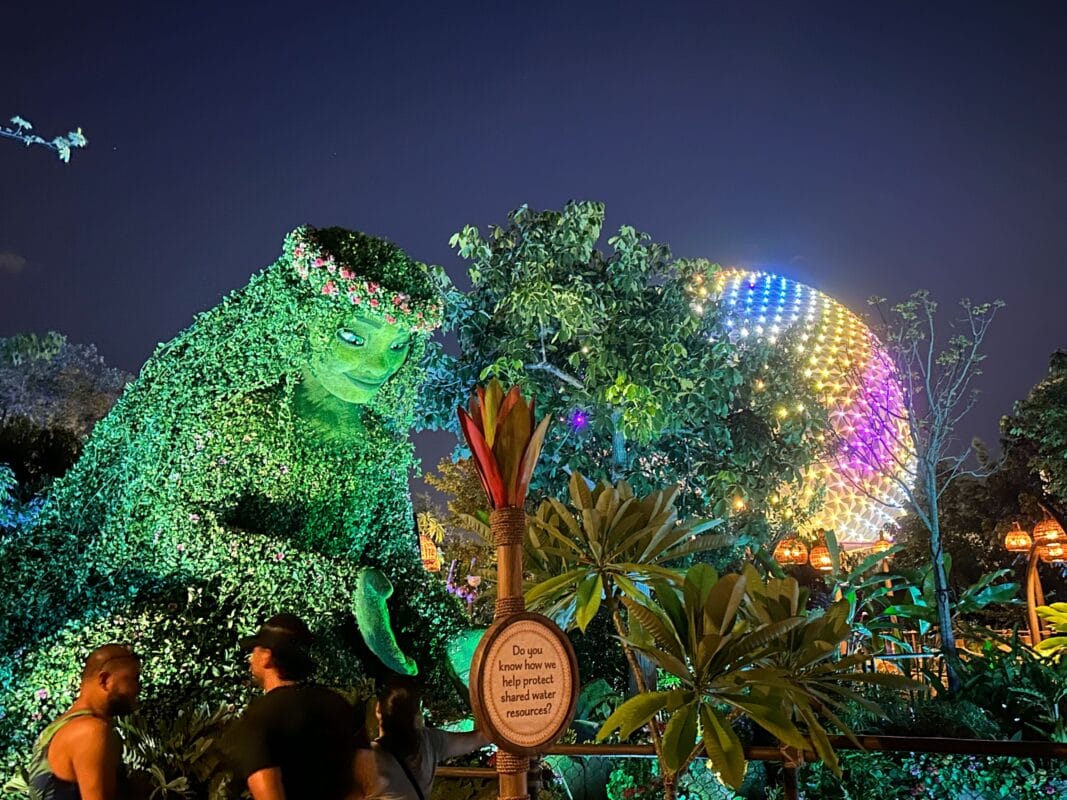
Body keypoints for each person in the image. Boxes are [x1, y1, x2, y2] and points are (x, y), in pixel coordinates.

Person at [222, 613, 362, 800]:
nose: (250, 658)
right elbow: (365, 781)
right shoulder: (337, 704)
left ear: (267, 656)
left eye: (255, 650)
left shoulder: (260, 718)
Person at [28, 644, 142, 800]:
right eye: (133, 679)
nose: (138, 688)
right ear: (105, 680)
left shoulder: (55, 730)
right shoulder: (90, 731)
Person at [353, 677, 488, 800]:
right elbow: (479, 738)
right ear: (417, 713)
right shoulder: (430, 742)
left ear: (378, 709)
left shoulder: (368, 761)